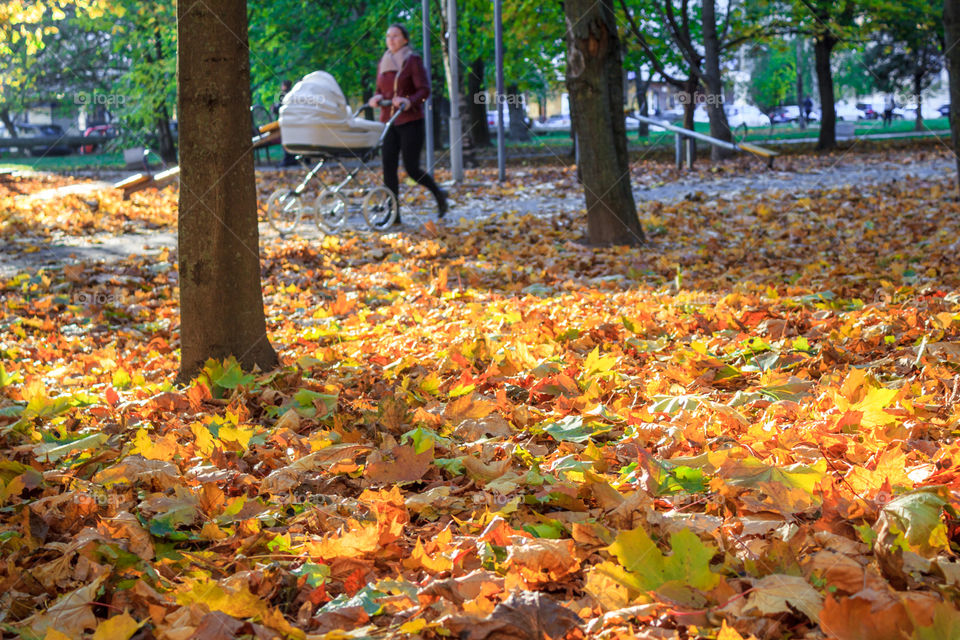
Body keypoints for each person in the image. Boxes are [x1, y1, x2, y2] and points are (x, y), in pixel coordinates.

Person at [368, 24, 447, 225]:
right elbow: (379, 89)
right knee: (388, 167)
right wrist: (376, 97)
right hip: (389, 121)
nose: (391, 40)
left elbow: (424, 91)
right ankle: (393, 214)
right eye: (388, 36)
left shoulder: (413, 60)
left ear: (405, 39)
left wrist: (408, 101)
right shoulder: (383, 62)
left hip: (410, 121)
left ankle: (438, 193)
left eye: (395, 36)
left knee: (411, 168)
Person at [275, 80, 298, 168]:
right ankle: (293, 159)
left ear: (284, 86)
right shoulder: (294, 94)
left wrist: (274, 108)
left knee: (286, 140)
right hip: (294, 121)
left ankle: (288, 160)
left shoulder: (283, 95)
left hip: (286, 122)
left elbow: (278, 109)